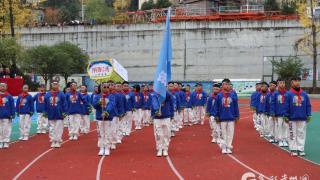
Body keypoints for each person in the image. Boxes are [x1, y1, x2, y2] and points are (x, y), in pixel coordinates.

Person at [284, 77, 311, 156]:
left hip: (302, 117)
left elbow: (308, 105)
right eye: (295, 81)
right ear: (292, 83)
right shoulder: (288, 94)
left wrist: (309, 114)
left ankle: (300, 149)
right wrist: (286, 115)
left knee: (301, 133)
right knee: (292, 134)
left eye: (299, 81)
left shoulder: (304, 94)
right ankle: (293, 149)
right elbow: (286, 105)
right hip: (291, 118)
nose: (297, 82)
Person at [213, 79, 239, 154]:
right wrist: (216, 116)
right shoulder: (219, 96)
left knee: (230, 133)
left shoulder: (233, 95)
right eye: (225, 84)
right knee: (223, 133)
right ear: (222, 85)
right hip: (222, 118)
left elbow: (236, 106)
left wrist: (237, 116)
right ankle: (223, 147)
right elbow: (216, 107)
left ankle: (228, 146)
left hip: (231, 117)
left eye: (228, 84)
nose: (227, 86)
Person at [92, 82, 117, 156]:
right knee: (101, 133)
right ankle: (101, 147)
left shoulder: (111, 96)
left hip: (108, 117)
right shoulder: (97, 96)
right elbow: (94, 106)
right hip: (99, 117)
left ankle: (107, 147)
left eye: (107, 87)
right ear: (100, 88)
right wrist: (99, 102)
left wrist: (106, 112)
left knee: (108, 132)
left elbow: (111, 105)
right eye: (104, 87)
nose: (105, 88)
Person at [150, 89, 174, 157]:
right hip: (157, 117)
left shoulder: (168, 94)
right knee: (158, 134)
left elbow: (171, 105)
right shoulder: (154, 95)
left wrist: (172, 115)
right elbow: (152, 105)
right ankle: (159, 148)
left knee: (167, 133)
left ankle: (165, 148)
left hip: (166, 116)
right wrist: (153, 114)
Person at [44, 81, 67, 148]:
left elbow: (64, 104)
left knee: (58, 128)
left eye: (56, 84)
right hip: (51, 114)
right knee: (51, 128)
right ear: (52, 85)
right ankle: (53, 140)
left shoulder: (61, 94)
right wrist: (45, 112)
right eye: (53, 84)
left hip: (59, 114)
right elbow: (45, 104)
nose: (55, 86)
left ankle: (58, 141)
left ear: (58, 85)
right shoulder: (47, 95)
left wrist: (64, 112)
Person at [270, 79, 289, 147]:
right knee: (279, 126)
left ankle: (285, 139)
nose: (282, 84)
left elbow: (289, 104)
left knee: (285, 126)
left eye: (283, 83)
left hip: (286, 114)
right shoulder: (275, 93)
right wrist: (273, 113)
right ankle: (280, 140)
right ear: (278, 84)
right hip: (278, 114)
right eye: (280, 83)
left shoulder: (287, 93)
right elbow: (272, 103)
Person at [0, 83, 15, 149]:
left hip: (7, 115)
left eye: (4, 86)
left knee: (6, 129)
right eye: (1, 86)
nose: (2, 87)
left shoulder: (9, 96)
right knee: (0, 129)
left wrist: (12, 114)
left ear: (6, 87)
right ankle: (1, 141)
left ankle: (6, 141)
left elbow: (12, 106)